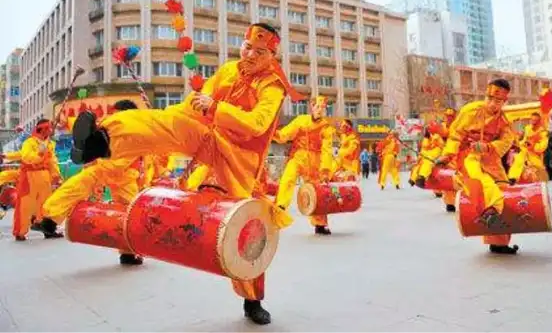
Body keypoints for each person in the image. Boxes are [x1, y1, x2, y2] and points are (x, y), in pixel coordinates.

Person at [69, 22, 302, 326]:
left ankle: (252, 300)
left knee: (248, 230)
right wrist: (196, 102)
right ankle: (101, 141)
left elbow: (257, 124)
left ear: (272, 54)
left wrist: (214, 107)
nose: (251, 55)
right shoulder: (229, 70)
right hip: (209, 140)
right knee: (169, 121)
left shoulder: (271, 85)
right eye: (247, 47)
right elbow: (201, 97)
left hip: (239, 160)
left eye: (260, 51)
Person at [39, 100, 148, 264]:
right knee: (76, 185)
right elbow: (89, 127)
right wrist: (65, 121)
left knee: (129, 213)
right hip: (104, 168)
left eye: (115, 113)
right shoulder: (109, 124)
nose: (112, 116)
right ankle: (50, 219)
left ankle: (129, 252)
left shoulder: (138, 131)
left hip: (124, 174)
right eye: (112, 113)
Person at [436, 79, 518, 254]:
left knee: (503, 189)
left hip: (490, 159)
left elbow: (506, 142)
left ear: (504, 102)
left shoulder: (504, 120)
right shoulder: (470, 110)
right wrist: (447, 154)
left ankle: (498, 242)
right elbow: (456, 135)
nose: (492, 103)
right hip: (468, 155)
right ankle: (491, 211)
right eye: (489, 98)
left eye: (497, 101)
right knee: (480, 182)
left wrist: (488, 147)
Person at [274, 96, 335, 235]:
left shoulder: (326, 128)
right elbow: (286, 134)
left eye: (323, 108)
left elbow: (327, 149)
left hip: (315, 163)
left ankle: (320, 224)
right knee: (287, 179)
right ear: (312, 107)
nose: (320, 110)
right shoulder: (301, 120)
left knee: (317, 193)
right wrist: (275, 134)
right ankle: (280, 208)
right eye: (317, 107)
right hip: (299, 157)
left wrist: (325, 169)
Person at [12, 119, 63, 241]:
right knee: (25, 205)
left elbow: (52, 161)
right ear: (43, 129)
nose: (51, 131)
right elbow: (26, 157)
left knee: (47, 205)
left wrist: (56, 174)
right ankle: (20, 232)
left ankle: (47, 229)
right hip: (29, 177)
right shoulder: (29, 142)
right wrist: (39, 153)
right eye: (49, 128)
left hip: (45, 177)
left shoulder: (49, 144)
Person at [508, 112, 549, 183]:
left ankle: (541, 186)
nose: (533, 123)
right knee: (518, 161)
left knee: (539, 169)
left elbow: (543, 147)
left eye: (535, 121)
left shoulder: (543, 132)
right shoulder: (527, 128)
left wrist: (533, 146)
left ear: (539, 121)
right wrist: (519, 144)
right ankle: (512, 178)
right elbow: (525, 140)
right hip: (525, 151)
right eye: (532, 120)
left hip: (535, 154)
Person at [409, 122, 444, 188]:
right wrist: (426, 138)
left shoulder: (437, 137)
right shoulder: (427, 137)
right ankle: (413, 179)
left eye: (428, 129)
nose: (427, 130)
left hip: (434, 153)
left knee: (427, 162)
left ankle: (422, 177)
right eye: (427, 129)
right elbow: (424, 147)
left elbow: (439, 146)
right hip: (427, 154)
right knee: (419, 164)